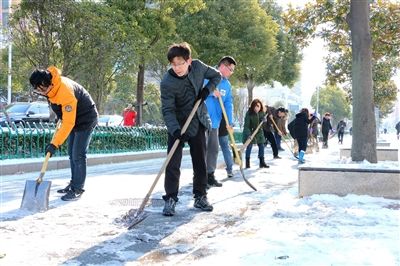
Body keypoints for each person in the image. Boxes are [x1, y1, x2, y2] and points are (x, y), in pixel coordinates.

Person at [160, 42, 221, 216]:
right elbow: (168, 110)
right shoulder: (167, 82)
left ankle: (200, 196)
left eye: (181, 63)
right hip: (178, 124)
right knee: (173, 163)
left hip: (197, 120)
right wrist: (175, 130)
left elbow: (217, 76)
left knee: (200, 161)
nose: (177, 67)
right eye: (173, 64)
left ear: (189, 61)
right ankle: (170, 198)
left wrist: (207, 90)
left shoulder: (199, 67)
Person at [29, 66, 98, 201]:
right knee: (71, 153)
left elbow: (68, 123)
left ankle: (77, 188)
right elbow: (64, 115)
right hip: (73, 118)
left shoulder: (65, 91)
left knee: (78, 154)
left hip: (85, 119)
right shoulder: (51, 88)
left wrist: (54, 144)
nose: (38, 91)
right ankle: (73, 184)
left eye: (39, 88)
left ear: (45, 84)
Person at [205, 56, 236, 187]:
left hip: (215, 122)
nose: (231, 73)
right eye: (230, 69)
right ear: (223, 66)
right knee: (202, 149)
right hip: (202, 118)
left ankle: (210, 175)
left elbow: (228, 103)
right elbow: (198, 91)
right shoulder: (207, 76)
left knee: (213, 149)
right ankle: (200, 177)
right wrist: (212, 92)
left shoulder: (227, 85)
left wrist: (230, 121)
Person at [243, 99, 268, 169]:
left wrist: (264, 120)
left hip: (259, 132)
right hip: (250, 132)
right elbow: (246, 126)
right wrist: (248, 134)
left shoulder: (261, 113)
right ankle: (247, 163)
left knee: (261, 145)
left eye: (258, 106)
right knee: (249, 146)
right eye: (255, 106)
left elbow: (263, 122)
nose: (256, 108)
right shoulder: (248, 113)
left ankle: (262, 162)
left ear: (260, 107)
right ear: (252, 106)